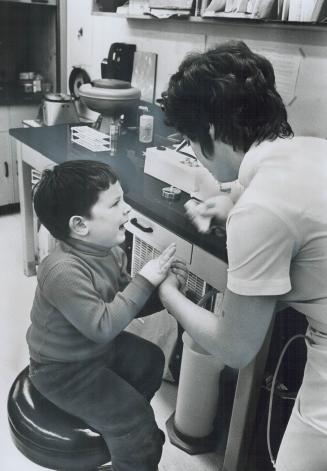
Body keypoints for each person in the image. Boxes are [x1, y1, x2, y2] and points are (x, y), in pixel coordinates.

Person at [159, 40, 327, 471]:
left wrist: (168, 294)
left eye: (189, 142)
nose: (193, 153)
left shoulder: (260, 209)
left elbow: (234, 346)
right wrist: (229, 203)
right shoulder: (311, 147)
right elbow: (286, 205)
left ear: (211, 132)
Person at [26, 159, 187, 471]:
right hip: (61, 371)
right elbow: (103, 326)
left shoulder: (111, 251)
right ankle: (131, 435)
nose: (127, 209)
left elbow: (126, 301)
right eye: (116, 204)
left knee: (151, 359)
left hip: (93, 352)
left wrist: (164, 290)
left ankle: (121, 428)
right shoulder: (62, 270)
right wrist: (145, 280)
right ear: (80, 225)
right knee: (136, 423)